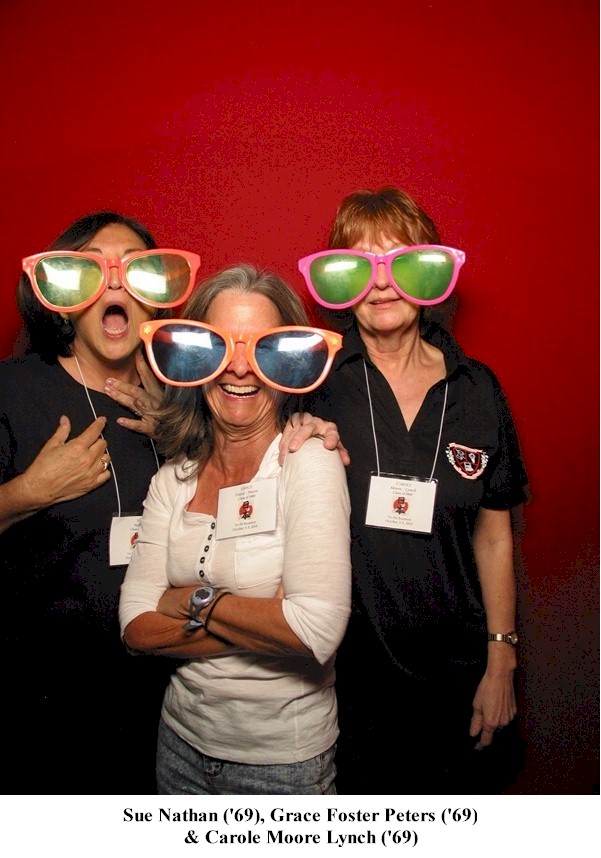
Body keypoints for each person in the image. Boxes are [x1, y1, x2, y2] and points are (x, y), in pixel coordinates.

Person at [286, 186, 529, 794]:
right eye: (360, 265)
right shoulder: (314, 382)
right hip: (346, 681)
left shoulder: (477, 388)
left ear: (430, 272)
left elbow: (494, 534)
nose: (382, 282)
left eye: (400, 261)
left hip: (460, 672)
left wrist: (502, 656)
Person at [119, 264, 351, 795]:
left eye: (263, 349)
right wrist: (266, 622)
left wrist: (188, 600)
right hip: (179, 742)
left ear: (289, 364)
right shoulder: (173, 479)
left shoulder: (308, 462)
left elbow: (315, 631)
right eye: (217, 346)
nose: (239, 369)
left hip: (282, 764)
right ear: (192, 359)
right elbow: (135, 626)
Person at [0, 211, 200, 794]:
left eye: (135, 272)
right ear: (63, 299)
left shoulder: (180, 401)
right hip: (40, 703)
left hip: (161, 705)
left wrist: (180, 436)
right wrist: (29, 491)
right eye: (93, 271)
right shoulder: (13, 390)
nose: (116, 284)